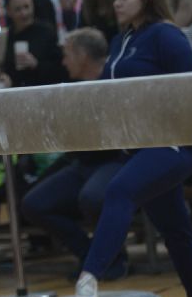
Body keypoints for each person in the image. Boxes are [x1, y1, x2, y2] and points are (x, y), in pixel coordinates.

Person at [72, 0, 192, 297]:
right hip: (140, 146)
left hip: (174, 144)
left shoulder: (166, 36)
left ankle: (89, 277)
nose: (117, 2)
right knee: (176, 229)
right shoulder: (120, 41)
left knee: (119, 190)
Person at [20, 29, 129, 278]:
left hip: (118, 160)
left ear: (82, 56)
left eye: (67, 55)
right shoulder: (70, 88)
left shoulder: (116, 79)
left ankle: (115, 259)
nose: (63, 61)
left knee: (92, 197)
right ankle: (91, 257)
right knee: (34, 204)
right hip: (82, 163)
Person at [0, 0, 65, 89]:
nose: (24, 13)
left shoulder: (46, 32)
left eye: (27, 7)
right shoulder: (4, 37)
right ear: (9, 11)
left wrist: (36, 65)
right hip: (15, 94)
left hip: (44, 92)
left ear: (33, 5)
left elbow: (60, 69)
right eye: (18, 9)